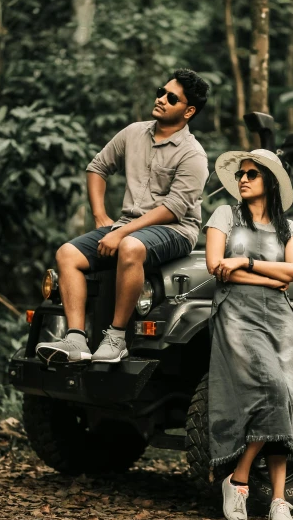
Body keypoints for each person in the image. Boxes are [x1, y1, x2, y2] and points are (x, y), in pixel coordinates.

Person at [36, 68, 210, 365]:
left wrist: (121, 233)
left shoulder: (193, 154)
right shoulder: (133, 133)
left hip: (176, 229)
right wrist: (101, 215)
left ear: (188, 111)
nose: (161, 99)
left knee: (130, 247)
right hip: (128, 226)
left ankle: (116, 338)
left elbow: (173, 209)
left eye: (171, 98)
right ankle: (76, 338)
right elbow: (97, 167)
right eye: (160, 91)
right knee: (67, 254)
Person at [204, 148, 293, 520]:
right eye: (240, 174)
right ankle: (240, 480)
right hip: (236, 312)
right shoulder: (224, 216)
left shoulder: (288, 228)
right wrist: (270, 276)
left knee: (286, 392)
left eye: (252, 173)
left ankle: (279, 500)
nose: (243, 179)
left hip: (279, 319)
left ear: (270, 181)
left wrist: (245, 263)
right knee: (272, 390)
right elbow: (217, 268)